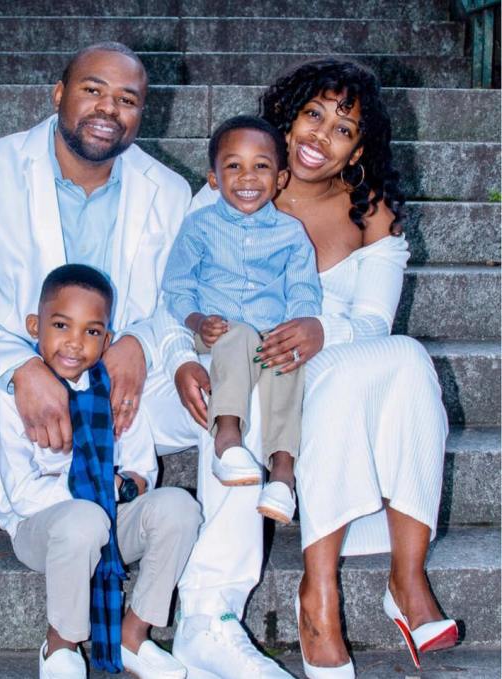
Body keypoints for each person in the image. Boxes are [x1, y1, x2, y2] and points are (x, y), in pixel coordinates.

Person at [0, 41, 291, 679]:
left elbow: (177, 299)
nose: (108, 109)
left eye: (127, 99)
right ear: (59, 93)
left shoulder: (167, 189)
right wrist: (24, 368)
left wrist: (139, 343)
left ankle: (210, 618)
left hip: (123, 398)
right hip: (9, 395)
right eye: (93, 90)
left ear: (144, 112)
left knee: (236, 392)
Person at [188, 58, 455, 678]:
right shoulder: (237, 183)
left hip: (336, 359)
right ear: (286, 119)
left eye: (343, 128)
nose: (320, 136)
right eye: (313, 114)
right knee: (337, 381)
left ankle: (402, 578)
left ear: (357, 150)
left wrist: (319, 330)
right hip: (252, 365)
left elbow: (373, 323)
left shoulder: (371, 210)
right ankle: (323, 596)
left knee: (406, 359)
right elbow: (182, 288)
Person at [0, 264, 199, 679]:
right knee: (84, 518)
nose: (75, 342)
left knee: (180, 507)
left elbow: (142, 471)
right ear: (35, 326)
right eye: (61, 325)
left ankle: (133, 635)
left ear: (107, 340)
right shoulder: (14, 397)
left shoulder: (115, 392)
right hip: (42, 530)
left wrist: (125, 487)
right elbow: (24, 495)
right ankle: (60, 645)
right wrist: (98, 487)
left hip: (111, 518)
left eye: (91, 331)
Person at [161, 115, 321, 524]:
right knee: (239, 335)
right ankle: (227, 439)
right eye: (233, 165)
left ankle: (282, 473)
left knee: (285, 360)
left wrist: (294, 329)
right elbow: (177, 285)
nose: (247, 176)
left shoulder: (291, 233)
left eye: (261, 166)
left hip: (267, 332)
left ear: (281, 178)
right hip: (216, 332)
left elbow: (303, 290)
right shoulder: (199, 227)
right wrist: (197, 321)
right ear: (213, 179)